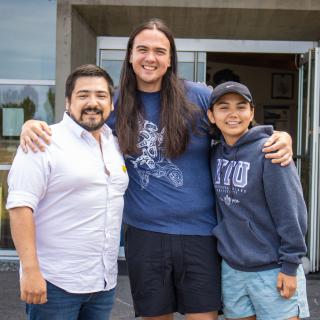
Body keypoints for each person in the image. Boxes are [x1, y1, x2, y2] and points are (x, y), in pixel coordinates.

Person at [19, 19, 293, 320]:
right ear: (130, 55)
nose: (151, 58)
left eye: (160, 51)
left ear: (170, 58)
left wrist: (280, 136)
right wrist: (32, 124)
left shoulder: (198, 96)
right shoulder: (116, 104)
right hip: (145, 236)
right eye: (143, 49)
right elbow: (77, 122)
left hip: (200, 234)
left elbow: (238, 127)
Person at [7, 64, 129, 320]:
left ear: (111, 104)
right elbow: (20, 208)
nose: (92, 103)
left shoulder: (115, 143)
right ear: (67, 102)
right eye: (83, 95)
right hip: (55, 283)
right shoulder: (43, 141)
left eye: (101, 96)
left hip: (103, 282)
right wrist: (30, 271)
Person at [207, 81, 309, 320]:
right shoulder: (213, 154)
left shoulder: (271, 151)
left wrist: (290, 265)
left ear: (252, 113)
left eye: (241, 107)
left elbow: (291, 211)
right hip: (233, 269)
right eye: (224, 107)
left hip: (272, 269)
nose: (233, 114)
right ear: (211, 115)